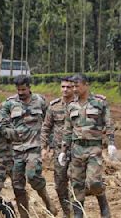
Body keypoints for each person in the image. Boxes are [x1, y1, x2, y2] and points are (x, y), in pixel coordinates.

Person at [59, 74, 117, 218]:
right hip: (76, 149)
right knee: (76, 185)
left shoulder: (99, 102)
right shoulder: (71, 106)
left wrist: (111, 143)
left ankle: (103, 201)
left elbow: (109, 123)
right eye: (73, 86)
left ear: (86, 85)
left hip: (94, 148)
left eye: (77, 86)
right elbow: (67, 129)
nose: (74, 89)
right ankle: (79, 214)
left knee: (94, 183)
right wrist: (63, 151)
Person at [0, 75, 57, 217]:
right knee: (17, 185)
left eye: (23, 89)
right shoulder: (9, 103)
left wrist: (49, 143)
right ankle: (24, 214)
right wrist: (10, 132)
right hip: (16, 149)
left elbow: (50, 122)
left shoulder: (40, 101)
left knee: (32, 175)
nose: (21, 92)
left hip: (35, 147)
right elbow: (2, 121)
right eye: (18, 90)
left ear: (29, 87)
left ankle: (47, 201)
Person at [40, 77, 74, 218]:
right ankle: (68, 212)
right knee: (60, 184)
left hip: (77, 149)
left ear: (74, 88)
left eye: (68, 87)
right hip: (59, 151)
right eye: (63, 87)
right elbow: (46, 127)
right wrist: (43, 147)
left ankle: (77, 212)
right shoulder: (53, 106)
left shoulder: (80, 105)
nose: (65, 89)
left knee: (77, 181)